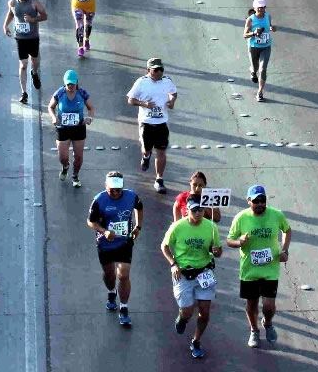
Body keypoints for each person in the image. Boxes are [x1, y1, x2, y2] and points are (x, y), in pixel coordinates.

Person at [226, 185, 292, 348]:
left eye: (263, 200)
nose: (260, 204)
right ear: (249, 201)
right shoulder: (241, 218)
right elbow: (229, 240)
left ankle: (267, 323)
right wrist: (239, 242)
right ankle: (254, 331)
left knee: (269, 306)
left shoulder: (276, 215)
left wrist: (285, 250)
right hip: (250, 270)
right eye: (256, 201)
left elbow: (287, 230)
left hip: (270, 269)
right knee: (252, 304)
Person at [161, 196, 222, 359]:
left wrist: (216, 251)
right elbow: (164, 246)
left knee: (205, 312)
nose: (198, 213)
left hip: (204, 272)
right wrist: (173, 264)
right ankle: (182, 318)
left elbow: (218, 250)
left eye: (201, 209)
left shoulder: (211, 227)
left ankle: (196, 341)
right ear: (187, 210)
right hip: (183, 273)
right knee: (187, 311)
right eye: (194, 210)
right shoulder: (177, 227)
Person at [88, 171, 142, 327]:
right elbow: (90, 222)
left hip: (125, 241)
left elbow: (139, 208)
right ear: (106, 186)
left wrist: (138, 226)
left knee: (123, 275)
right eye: (112, 190)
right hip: (105, 243)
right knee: (109, 274)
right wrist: (104, 231)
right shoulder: (99, 200)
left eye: (118, 190)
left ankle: (124, 308)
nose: (115, 193)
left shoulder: (131, 196)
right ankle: (112, 292)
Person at [126, 57, 178, 194]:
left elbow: (174, 93)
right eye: (156, 70)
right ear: (149, 70)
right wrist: (144, 104)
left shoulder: (167, 81)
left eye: (161, 69)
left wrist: (172, 102)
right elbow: (130, 100)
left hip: (161, 122)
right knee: (147, 149)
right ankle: (146, 156)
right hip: (146, 122)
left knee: (161, 151)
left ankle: (159, 179)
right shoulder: (141, 82)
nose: (159, 72)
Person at [48, 69, 94, 187]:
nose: (70, 86)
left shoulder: (82, 93)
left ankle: (75, 176)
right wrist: (54, 117)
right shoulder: (60, 93)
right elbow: (50, 107)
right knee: (63, 157)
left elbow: (91, 108)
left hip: (78, 128)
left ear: (77, 82)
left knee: (78, 156)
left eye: (73, 84)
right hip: (63, 128)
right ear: (65, 83)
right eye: (68, 84)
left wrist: (89, 118)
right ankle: (65, 166)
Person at [3, 0, 46, 104]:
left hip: (33, 37)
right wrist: (5, 25)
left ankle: (35, 73)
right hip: (20, 38)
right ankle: (24, 92)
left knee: (35, 60)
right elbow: (11, 13)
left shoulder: (34, 2)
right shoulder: (12, 3)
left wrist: (33, 19)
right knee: (23, 64)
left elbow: (44, 16)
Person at [244, 0, 275, 101]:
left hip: (266, 47)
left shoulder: (268, 16)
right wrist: (254, 33)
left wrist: (272, 28)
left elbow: (269, 26)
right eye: (259, 8)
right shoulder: (250, 19)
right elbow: (245, 35)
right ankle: (252, 71)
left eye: (263, 7)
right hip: (254, 47)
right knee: (256, 67)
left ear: (265, 8)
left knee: (263, 69)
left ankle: (260, 92)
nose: (261, 9)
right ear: (255, 8)